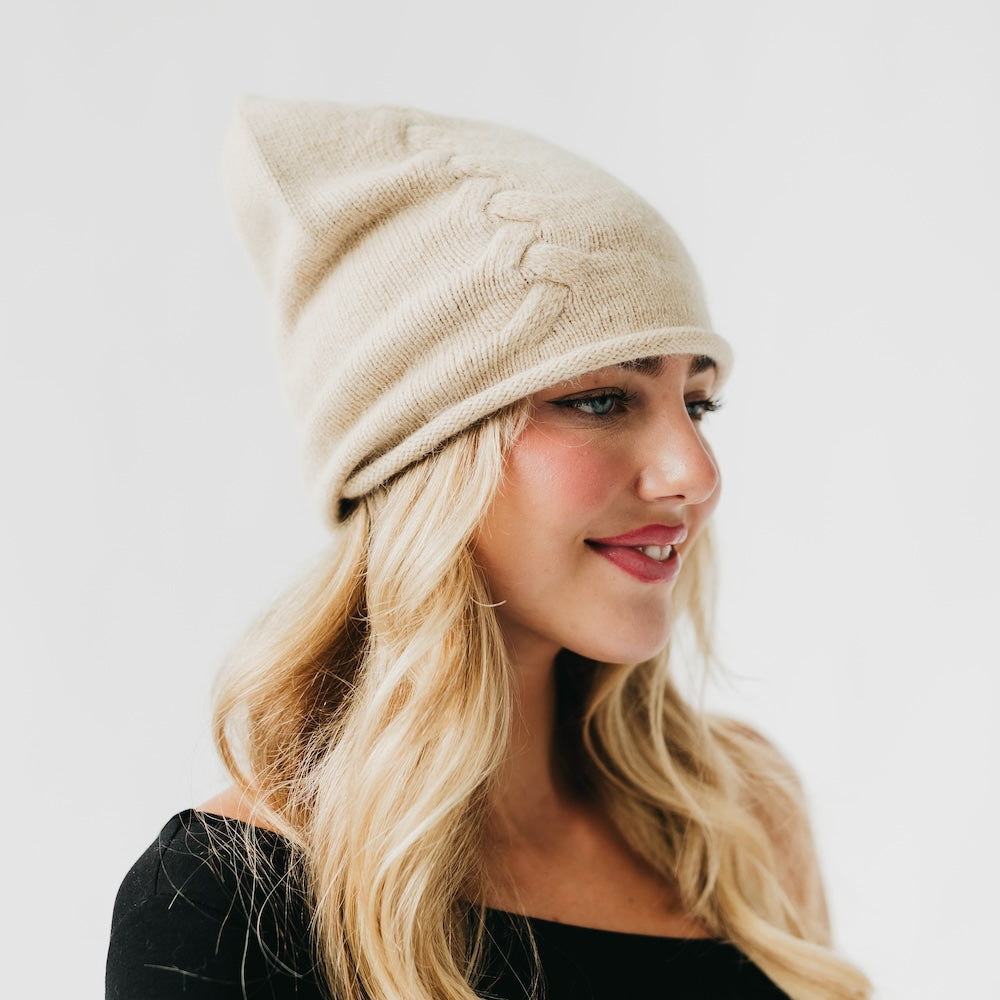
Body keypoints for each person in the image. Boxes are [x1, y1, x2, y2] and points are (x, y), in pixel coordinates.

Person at [106, 98, 870, 1000]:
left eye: (696, 404)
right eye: (602, 399)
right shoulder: (227, 903)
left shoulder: (735, 820)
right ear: (426, 454)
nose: (693, 473)